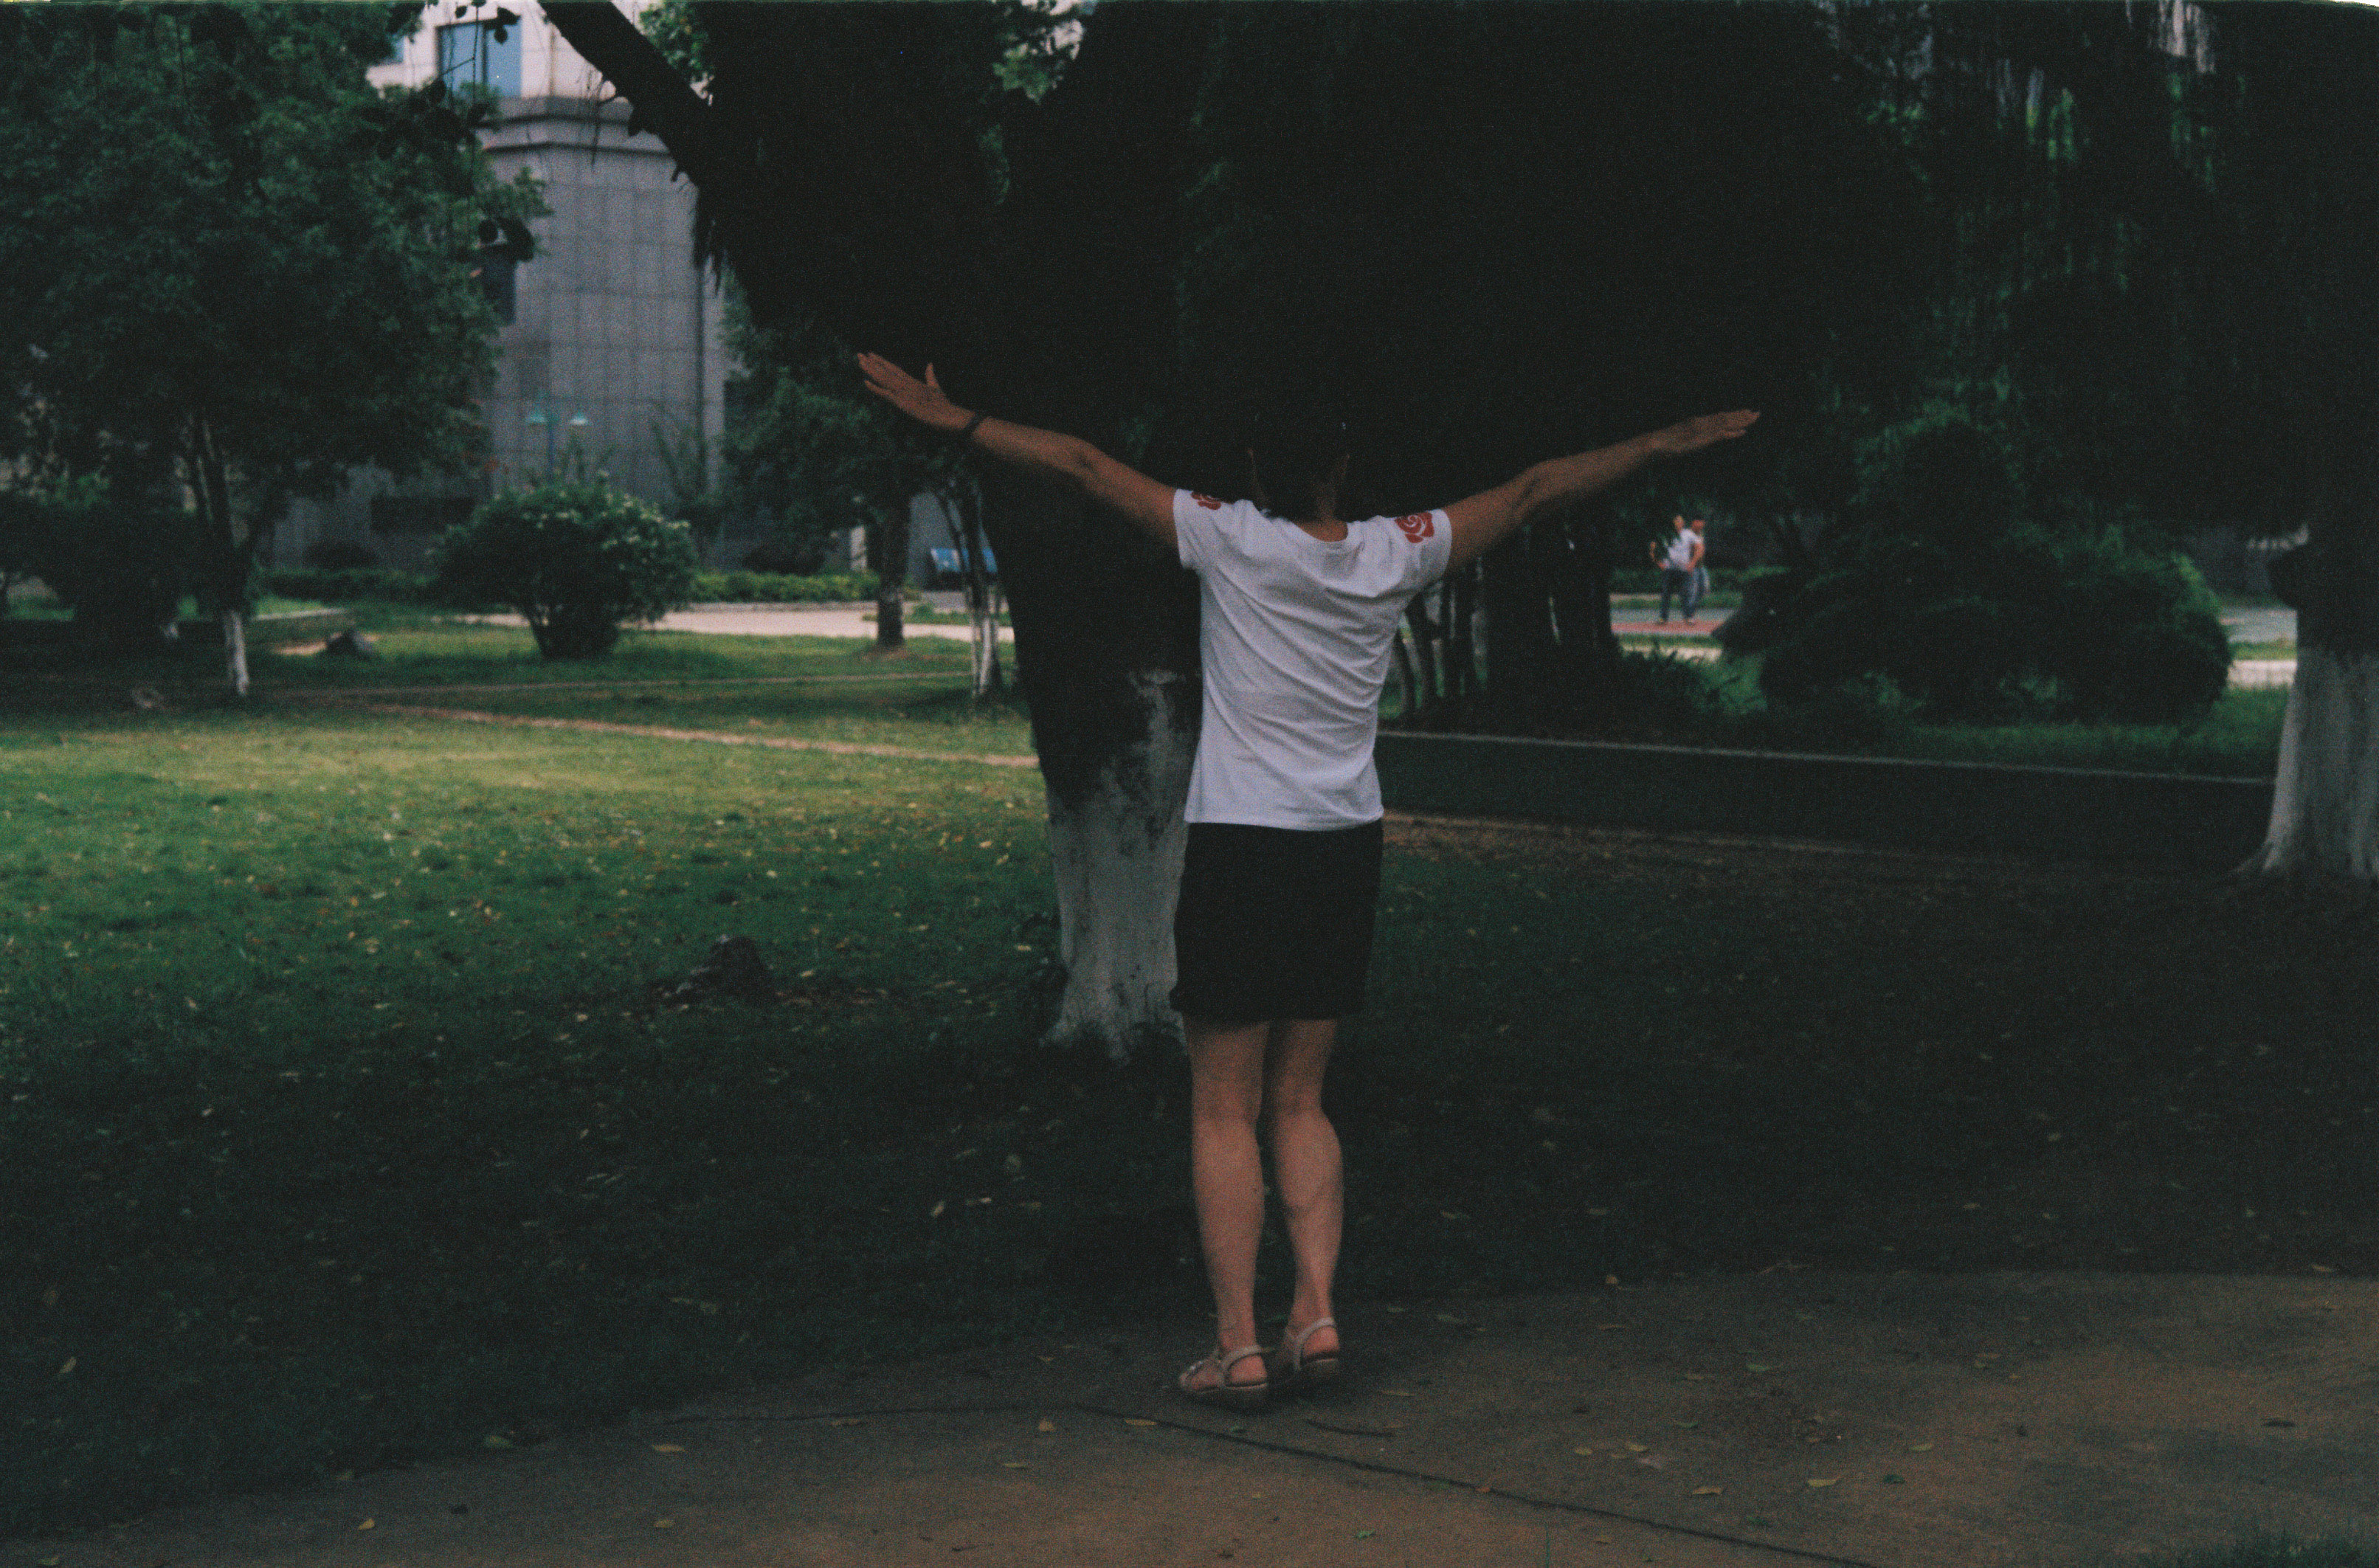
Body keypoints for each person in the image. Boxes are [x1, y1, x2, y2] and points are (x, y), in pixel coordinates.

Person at [857, 352, 1755, 1408]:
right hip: (1342, 843)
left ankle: (1238, 1345)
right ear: (1343, 466)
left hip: (1243, 843)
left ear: (1251, 466)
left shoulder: (1229, 537)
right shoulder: (1392, 551)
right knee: (1300, 1099)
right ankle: (1316, 1315)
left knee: (1222, 1108)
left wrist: (954, 419)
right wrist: (1661, 443)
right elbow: (1531, 490)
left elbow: (1085, 466)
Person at [1651, 512, 1705, 624]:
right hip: (1669, 569)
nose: (1677, 524)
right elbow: (1653, 548)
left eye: (1679, 521)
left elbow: (1700, 548)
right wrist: (1658, 563)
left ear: (1683, 523)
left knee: (1686, 594)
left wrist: (1692, 563)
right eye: (1675, 521)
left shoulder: (1688, 534)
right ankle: (1663, 618)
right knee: (1666, 594)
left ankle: (1688, 617)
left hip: (1684, 570)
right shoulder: (1666, 535)